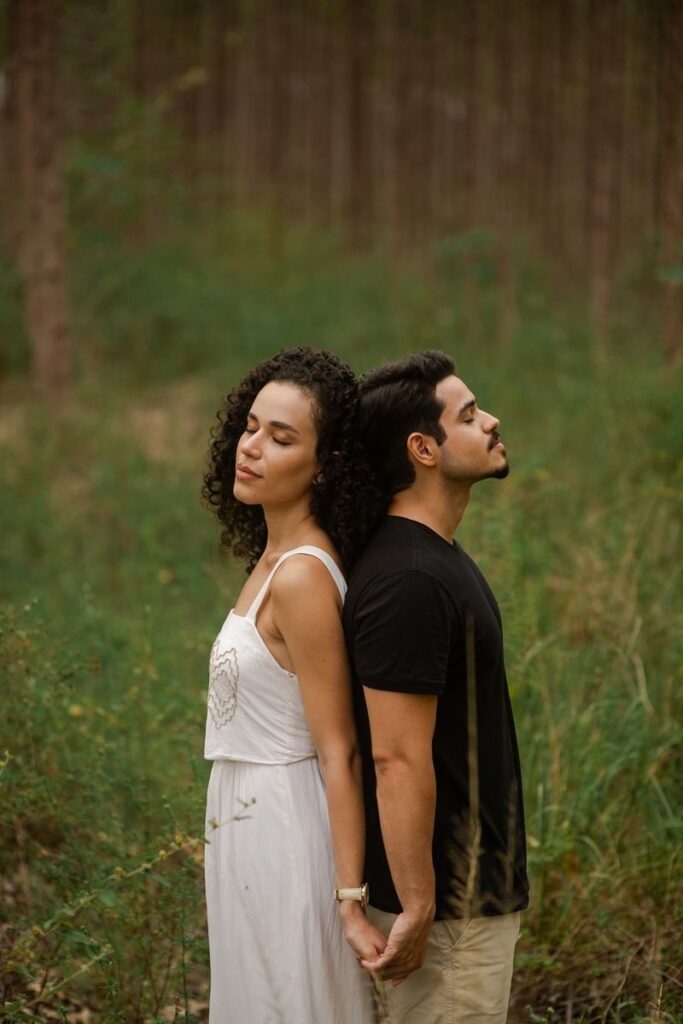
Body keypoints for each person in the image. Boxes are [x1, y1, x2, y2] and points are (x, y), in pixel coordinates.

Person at [343, 351, 529, 1023]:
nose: (491, 422)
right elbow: (394, 757)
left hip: (465, 899)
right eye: (470, 414)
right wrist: (420, 906)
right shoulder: (409, 581)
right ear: (423, 447)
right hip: (448, 912)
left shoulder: (431, 559)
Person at [201, 347, 385, 1024]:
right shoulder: (270, 558)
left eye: (281, 438)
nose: (251, 448)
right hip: (241, 818)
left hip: (284, 822)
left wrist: (347, 896)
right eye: (250, 427)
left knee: (287, 1003)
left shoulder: (303, 574)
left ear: (324, 466)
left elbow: (338, 748)